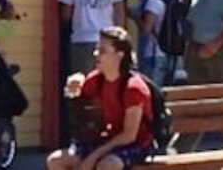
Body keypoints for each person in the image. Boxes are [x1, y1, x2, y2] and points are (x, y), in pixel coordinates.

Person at [48, 26, 155, 170]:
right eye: (97, 49)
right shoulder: (97, 79)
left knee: (106, 165)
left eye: (103, 51)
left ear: (120, 54)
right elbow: (75, 91)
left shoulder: (133, 88)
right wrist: (75, 82)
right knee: (56, 160)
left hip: (137, 144)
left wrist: (93, 156)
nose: (96, 54)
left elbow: (129, 135)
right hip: (108, 138)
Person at [135, 0, 179, 85]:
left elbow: (146, 29)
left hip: (154, 52)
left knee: (153, 92)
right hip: (172, 52)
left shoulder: (154, 1)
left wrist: (135, 17)